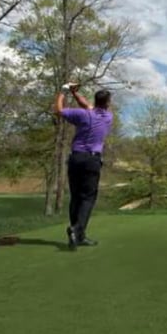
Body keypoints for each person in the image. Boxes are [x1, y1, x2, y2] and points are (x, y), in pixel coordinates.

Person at [54, 83, 114, 250]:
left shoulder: (83, 114)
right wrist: (74, 93)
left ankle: (77, 237)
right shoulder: (108, 117)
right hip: (92, 161)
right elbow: (87, 105)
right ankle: (77, 229)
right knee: (88, 198)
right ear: (107, 103)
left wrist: (64, 91)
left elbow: (59, 110)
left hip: (76, 159)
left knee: (76, 197)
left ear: (95, 100)